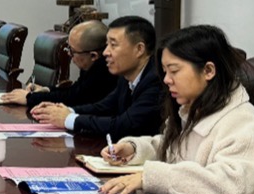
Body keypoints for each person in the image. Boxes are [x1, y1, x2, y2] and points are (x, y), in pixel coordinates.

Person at [98, 24, 254, 194]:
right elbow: (174, 148)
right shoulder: (194, 107)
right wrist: (134, 148)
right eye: (165, 71)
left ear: (208, 70)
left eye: (174, 71)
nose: (166, 80)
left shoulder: (242, 121)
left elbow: (230, 185)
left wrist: (151, 178)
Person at [31, 15, 163, 139]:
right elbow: (104, 107)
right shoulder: (126, 76)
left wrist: (69, 119)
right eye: (107, 44)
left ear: (139, 49)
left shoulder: (156, 81)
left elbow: (124, 125)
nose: (105, 52)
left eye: (113, 45)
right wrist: (66, 111)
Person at [2, 21, 116, 109]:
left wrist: (29, 98)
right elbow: (75, 90)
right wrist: (46, 90)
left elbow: (74, 98)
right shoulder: (92, 63)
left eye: (72, 51)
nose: (69, 54)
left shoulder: (106, 71)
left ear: (93, 55)